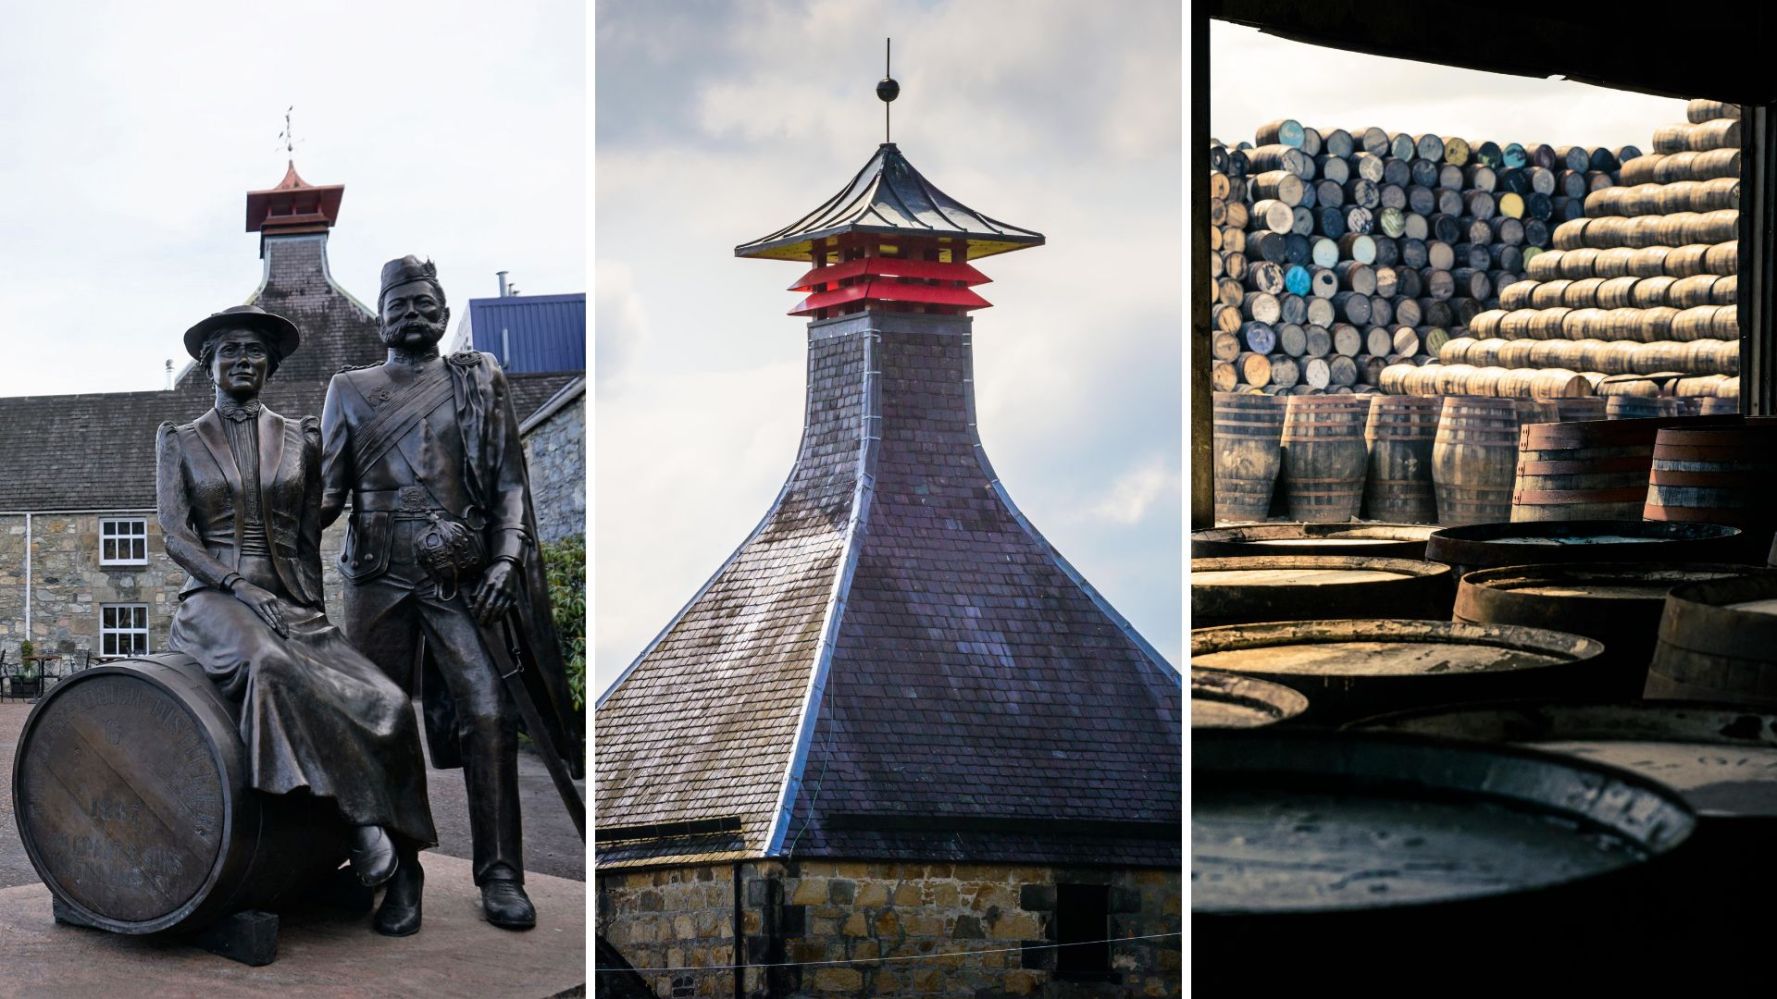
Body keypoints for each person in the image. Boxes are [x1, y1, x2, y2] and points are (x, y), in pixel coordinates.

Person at [156, 304, 438, 937]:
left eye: (256, 352)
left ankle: (409, 867)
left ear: (272, 367)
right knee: (269, 665)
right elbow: (176, 535)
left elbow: (315, 523)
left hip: (290, 600)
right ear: (209, 366)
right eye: (230, 351)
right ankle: (361, 827)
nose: (243, 360)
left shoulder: (300, 438)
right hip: (214, 599)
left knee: (387, 702)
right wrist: (232, 584)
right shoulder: (179, 439)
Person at [320, 256, 577, 932]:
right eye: (397, 303)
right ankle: (403, 875)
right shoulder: (348, 389)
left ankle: (499, 874)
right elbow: (323, 495)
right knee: (381, 719)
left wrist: (506, 559)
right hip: (377, 572)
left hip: (459, 572)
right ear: (380, 317)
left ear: (441, 309)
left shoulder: (477, 379)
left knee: (490, 713)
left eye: (422, 301)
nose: (410, 312)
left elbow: (509, 485)